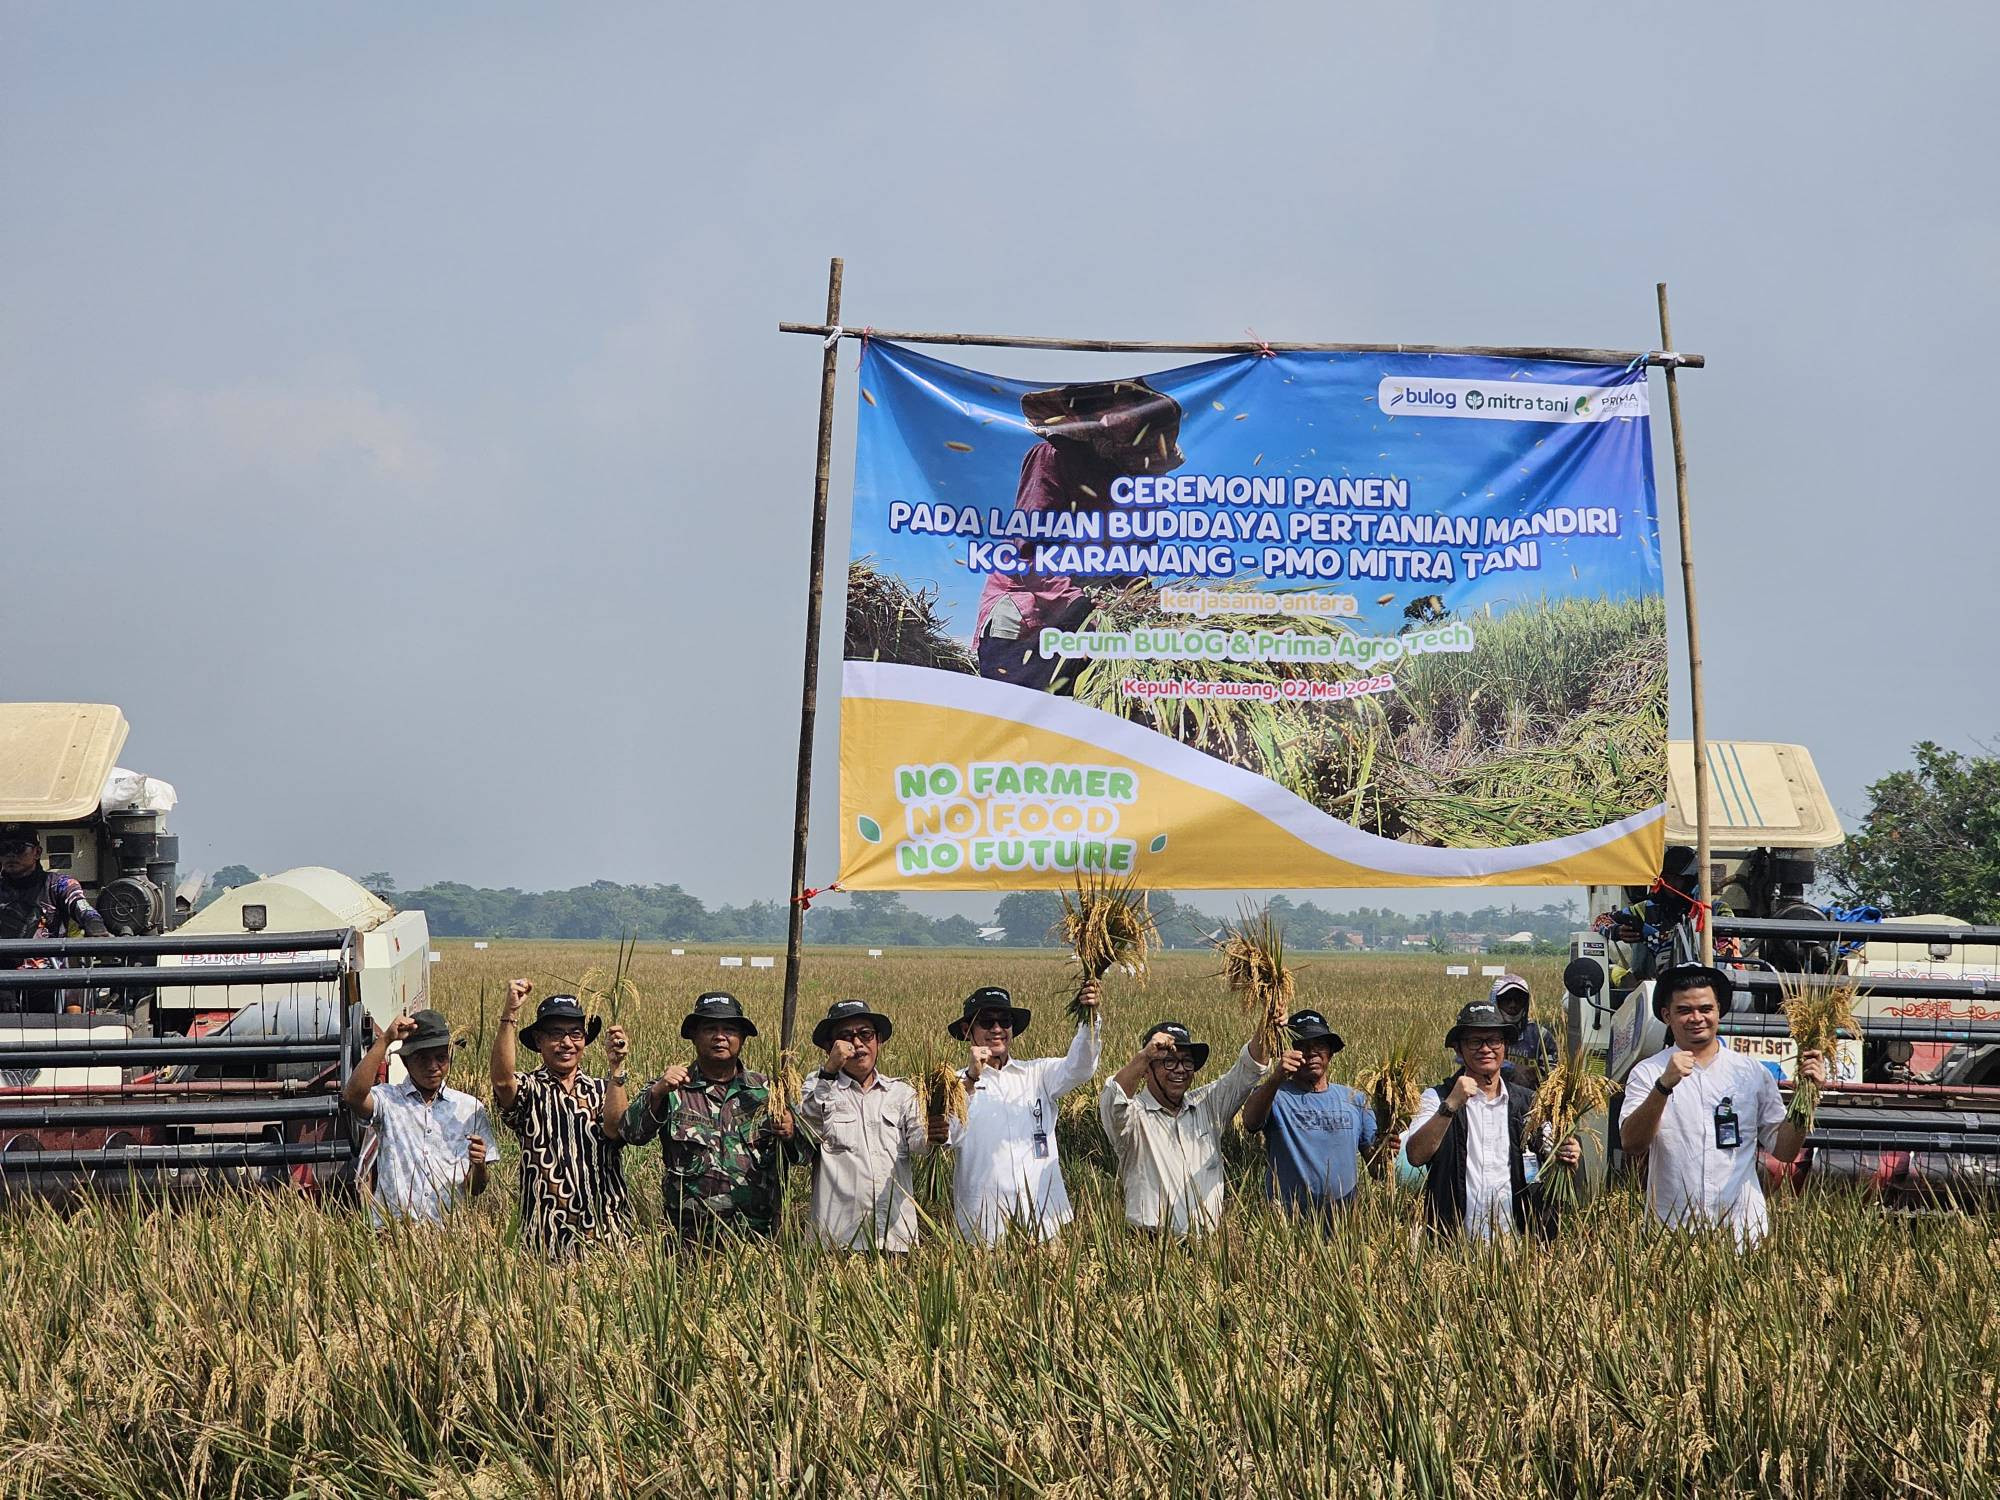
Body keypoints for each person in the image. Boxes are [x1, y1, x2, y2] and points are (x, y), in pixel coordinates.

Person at [975, 378, 1185, 693]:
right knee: (1015, 719)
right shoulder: (1053, 457)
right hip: (1028, 620)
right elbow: (1031, 551)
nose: (1121, 418)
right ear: (1093, 412)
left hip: (1093, 628)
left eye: (1133, 411)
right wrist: (1080, 608)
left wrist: (1134, 610)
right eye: (1113, 408)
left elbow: (1136, 570)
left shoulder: (1140, 491)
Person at [1618, 963, 1825, 1246]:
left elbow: (1785, 1150)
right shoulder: (1648, 1073)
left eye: (1706, 1009)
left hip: (1742, 1231)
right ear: (1667, 1016)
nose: (1696, 1018)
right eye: (1684, 1010)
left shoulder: (1751, 1073)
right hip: (1672, 1233)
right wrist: (1663, 1086)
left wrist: (1808, 1096)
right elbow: (1632, 1143)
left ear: (1719, 1011)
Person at [611, 991, 796, 1242]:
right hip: (689, 1241)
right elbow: (630, 1133)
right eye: (710, 1028)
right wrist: (656, 1093)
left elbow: (801, 1155)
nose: (720, 1036)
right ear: (695, 1037)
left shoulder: (768, 1092)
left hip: (757, 1239)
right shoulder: (672, 1088)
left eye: (729, 1029)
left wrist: (790, 1132)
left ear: (742, 1038)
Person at [933, 980, 1101, 1246]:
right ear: (968, 1030)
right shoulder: (953, 1083)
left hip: (1044, 1220)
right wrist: (971, 1078)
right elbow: (946, 1135)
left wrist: (1089, 1017)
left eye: (1004, 1021)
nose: (997, 1029)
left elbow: (1080, 1068)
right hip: (984, 1226)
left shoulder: (1038, 1074)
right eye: (987, 1022)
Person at [1404, 1001, 1581, 1241]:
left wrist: (1567, 1153)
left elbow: (1551, 1154)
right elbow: (1416, 1155)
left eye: (1494, 1041)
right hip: (1455, 1246)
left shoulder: (1529, 1103)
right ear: (1459, 1050)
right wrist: (1451, 1106)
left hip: (1518, 1244)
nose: (1485, 1049)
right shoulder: (1437, 1098)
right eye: (1475, 1042)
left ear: (1505, 1047)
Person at [490, 980, 632, 1260]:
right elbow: (503, 1082)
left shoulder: (604, 1089)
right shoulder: (529, 1089)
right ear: (539, 1041)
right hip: (546, 1238)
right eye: (556, 1034)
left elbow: (616, 1129)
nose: (566, 1043)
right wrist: (510, 1014)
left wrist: (618, 1069)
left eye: (575, 1034)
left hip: (608, 1234)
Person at [1100, 1016, 1268, 1235]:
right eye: (1168, 1061)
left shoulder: (1207, 1106)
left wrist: (1268, 1023)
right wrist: (1144, 1056)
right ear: (1147, 1070)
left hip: (1208, 1249)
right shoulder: (1133, 1117)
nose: (1180, 1069)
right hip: (1152, 1249)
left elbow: (1248, 1071)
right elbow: (1113, 1100)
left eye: (1187, 1061)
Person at [340, 1007, 497, 1227]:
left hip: (448, 1236)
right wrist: (385, 1040)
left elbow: (476, 1189)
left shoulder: (470, 1109)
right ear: (406, 1062)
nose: (433, 1067)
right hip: (392, 1233)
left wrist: (479, 1166)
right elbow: (353, 1096)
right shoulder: (388, 1101)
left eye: (441, 1058)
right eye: (422, 1058)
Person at [795, 997, 931, 1252]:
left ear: (878, 1040)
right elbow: (807, 1124)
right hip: (836, 1243)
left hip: (894, 1239)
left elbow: (921, 1144)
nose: (857, 1044)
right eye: (846, 1038)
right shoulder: (817, 1086)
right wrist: (830, 1071)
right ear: (830, 1047)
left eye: (865, 1035)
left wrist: (938, 1127)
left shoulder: (901, 1093)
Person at [1241, 1008, 1376, 1219]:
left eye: (1319, 1045)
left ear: (1330, 1052)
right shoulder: (1275, 1094)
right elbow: (1250, 1122)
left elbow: (1378, 1169)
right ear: (1290, 1052)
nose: (1311, 1052)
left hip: (1345, 1223)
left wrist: (1388, 1143)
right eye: (1302, 1046)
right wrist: (1276, 1077)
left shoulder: (1355, 1100)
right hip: (1289, 1221)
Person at [0, 824, 111, 1013]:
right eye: (3, 849)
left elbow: (83, 907)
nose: (11, 854)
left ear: (37, 852)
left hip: (48, 982)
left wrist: (96, 928)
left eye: (19, 848)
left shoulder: (58, 884)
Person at [1491, 973, 1558, 1086]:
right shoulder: (1483, 1032)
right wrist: (1510, 1069)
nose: (1512, 1005)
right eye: (1506, 999)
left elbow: (1553, 1072)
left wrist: (1534, 1074)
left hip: (1529, 1100)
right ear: (1495, 1001)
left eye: (1518, 999)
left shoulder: (1540, 1035)